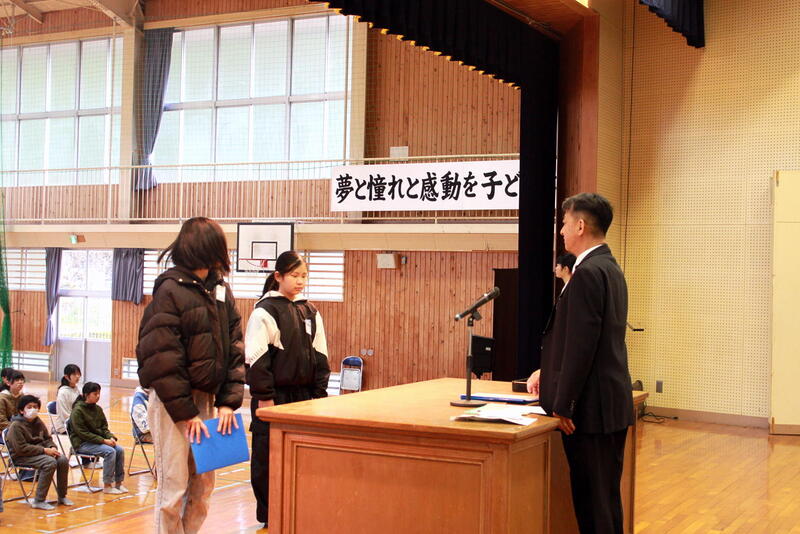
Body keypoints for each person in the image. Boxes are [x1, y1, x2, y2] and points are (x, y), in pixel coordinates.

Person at [527, 193, 634, 534]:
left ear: (581, 225)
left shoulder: (587, 273)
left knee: (593, 507)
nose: (561, 231)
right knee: (605, 502)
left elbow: (581, 346)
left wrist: (564, 404)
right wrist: (547, 371)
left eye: (564, 223)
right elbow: (590, 340)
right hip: (608, 404)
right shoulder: (610, 268)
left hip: (590, 411)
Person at [136, 216, 245, 534]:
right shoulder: (169, 290)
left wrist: (227, 402)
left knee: (203, 488)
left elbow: (235, 347)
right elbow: (161, 359)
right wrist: (185, 413)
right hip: (173, 404)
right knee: (173, 489)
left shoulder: (221, 289)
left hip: (209, 401)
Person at [245, 250, 331, 528]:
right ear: (278, 276)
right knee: (268, 459)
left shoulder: (310, 311)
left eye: (304, 276)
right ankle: (270, 516)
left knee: (303, 458)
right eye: (294, 275)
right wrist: (264, 398)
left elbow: (321, 355)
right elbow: (256, 359)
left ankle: (300, 511)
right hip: (274, 399)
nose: (300, 281)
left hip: (304, 398)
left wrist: (319, 395)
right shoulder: (264, 311)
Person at [6, 394, 73, 510]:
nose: (33, 409)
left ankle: (62, 496)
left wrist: (52, 447)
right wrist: (44, 450)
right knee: (49, 463)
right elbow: (21, 449)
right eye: (29, 407)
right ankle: (39, 500)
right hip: (20, 456)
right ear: (21, 410)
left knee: (62, 460)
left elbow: (47, 439)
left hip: (39, 453)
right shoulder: (16, 426)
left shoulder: (38, 422)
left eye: (35, 407)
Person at [69, 382, 128, 494]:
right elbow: (83, 433)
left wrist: (110, 437)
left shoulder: (98, 409)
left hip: (96, 442)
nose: (98, 396)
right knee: (110, 452)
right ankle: (107, 485)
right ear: (86, 395)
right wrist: (103, 441)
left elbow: (104, 427)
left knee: (119, 450)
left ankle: (119, 483)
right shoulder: (77, 411)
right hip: (82, 443)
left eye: (99, 393)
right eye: (95, 394)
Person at [55, 364, 82, 435]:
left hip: (77, 423)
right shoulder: (63, 392)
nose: (77, 376)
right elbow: (65, 415)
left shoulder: (78, 389)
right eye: (74, 374)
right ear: (66, 377)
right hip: (64, 426)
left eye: (78, 374)